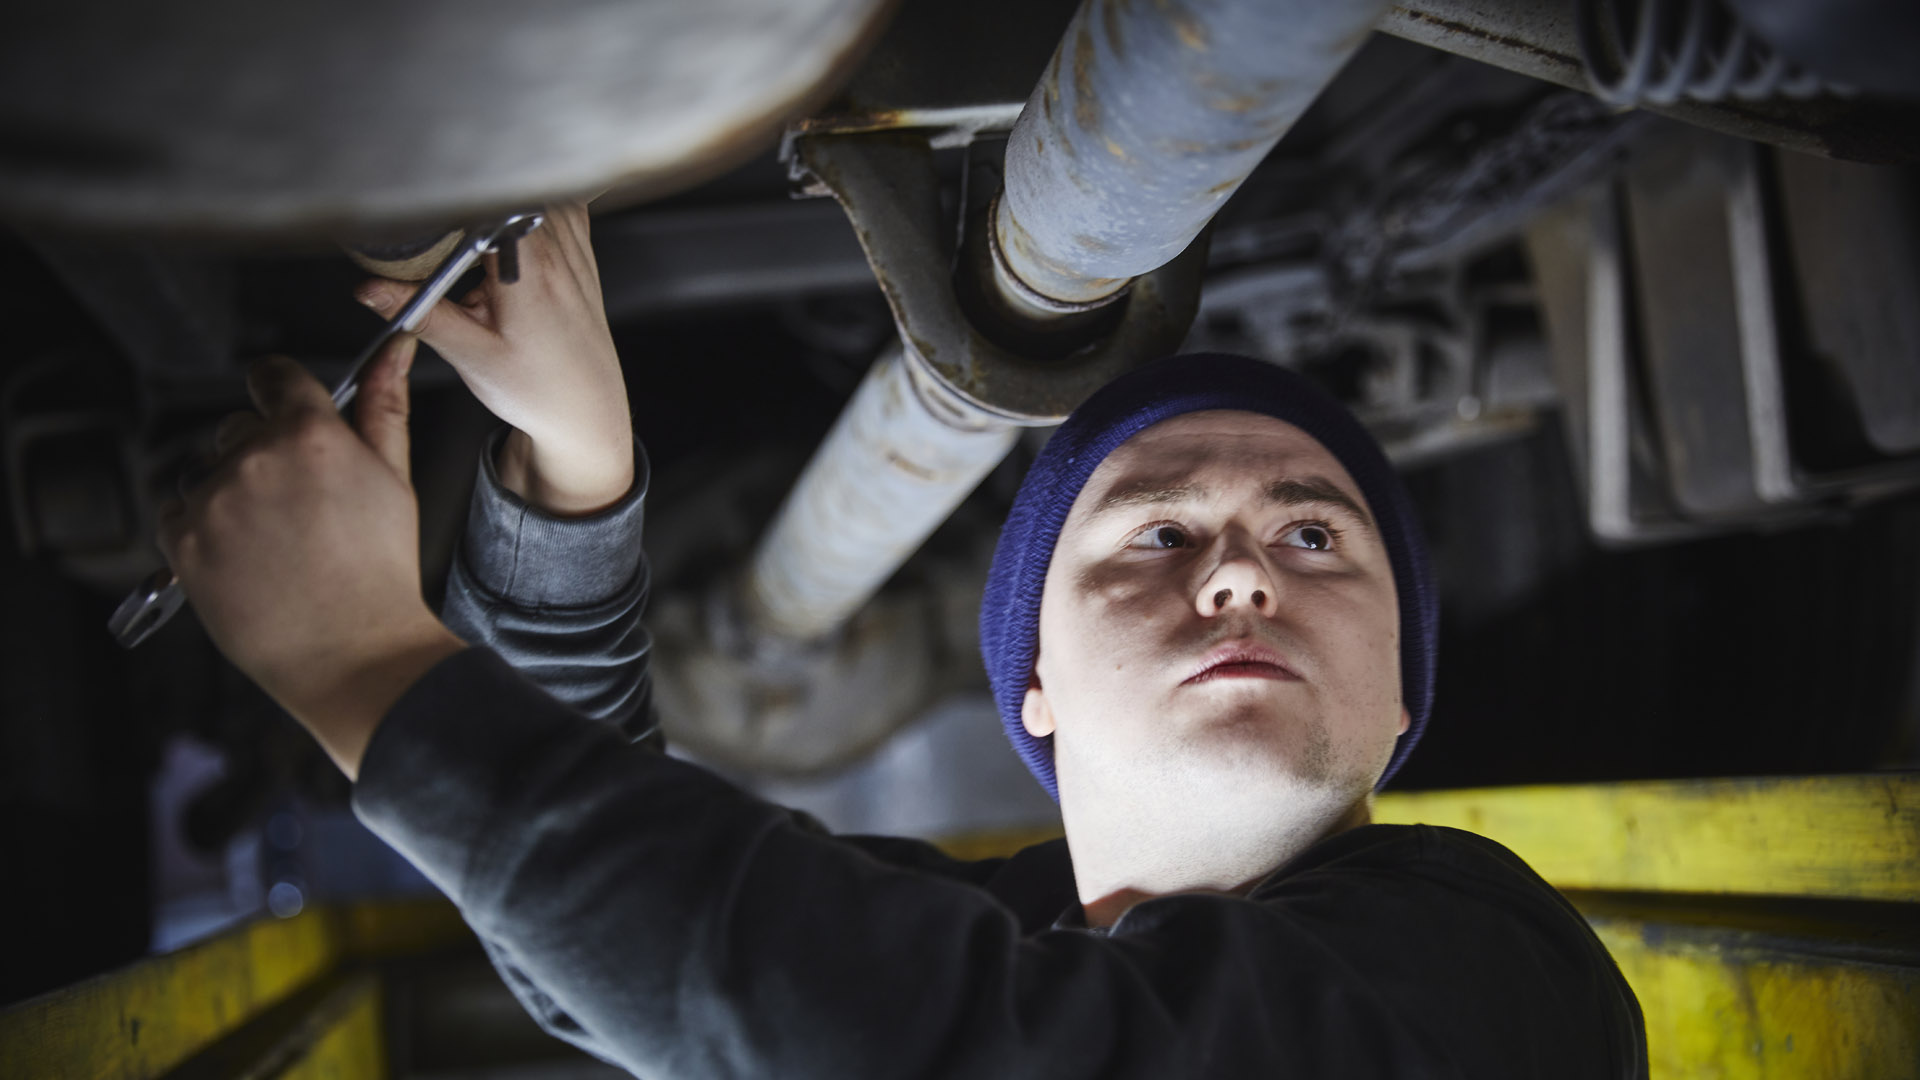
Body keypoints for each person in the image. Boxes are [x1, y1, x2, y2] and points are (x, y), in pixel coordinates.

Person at [160, 202, 1647, 1077]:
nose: (1243, 577)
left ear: (1403, 699)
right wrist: (573, 464)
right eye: (1161, 532)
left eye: (1315, 534)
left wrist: (367, 666)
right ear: (1036, 683)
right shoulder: (1020, 935)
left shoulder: (1501, 975)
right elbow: (596, 953)